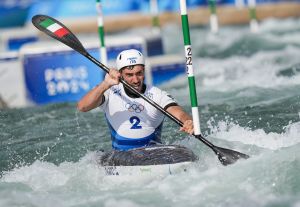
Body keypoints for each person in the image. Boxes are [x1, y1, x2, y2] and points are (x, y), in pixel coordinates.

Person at [77, 49, 194, 150]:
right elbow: (83, 107)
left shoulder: (157, 94)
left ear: (144, 71)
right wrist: (105, 84)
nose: (136, 80)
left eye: (139, 73)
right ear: (121, 74)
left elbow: (178, 112)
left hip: (154, 155)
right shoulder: (109, 92)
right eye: (129, 74)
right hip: (121, 157)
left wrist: (188, 121)